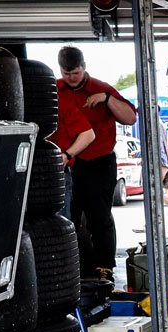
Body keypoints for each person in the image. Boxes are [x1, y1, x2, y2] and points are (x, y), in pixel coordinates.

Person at [56, 46, 137, 278]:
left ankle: (105, 267)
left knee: (99, 216)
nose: (71, 78)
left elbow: (130, 118)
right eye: (66, 73)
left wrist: (107, 99)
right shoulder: (56, 89)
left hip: (98, 162)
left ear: (84, 67)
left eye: (75, 73)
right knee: (68, 218)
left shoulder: (101, 88)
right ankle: (76, 269)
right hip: (69, 164)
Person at [48, 78, 95, 223]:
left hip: (57, 173)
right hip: (27, 172)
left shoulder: (60, 103)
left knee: (59, 225)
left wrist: (67, 155)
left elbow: (89, 134)